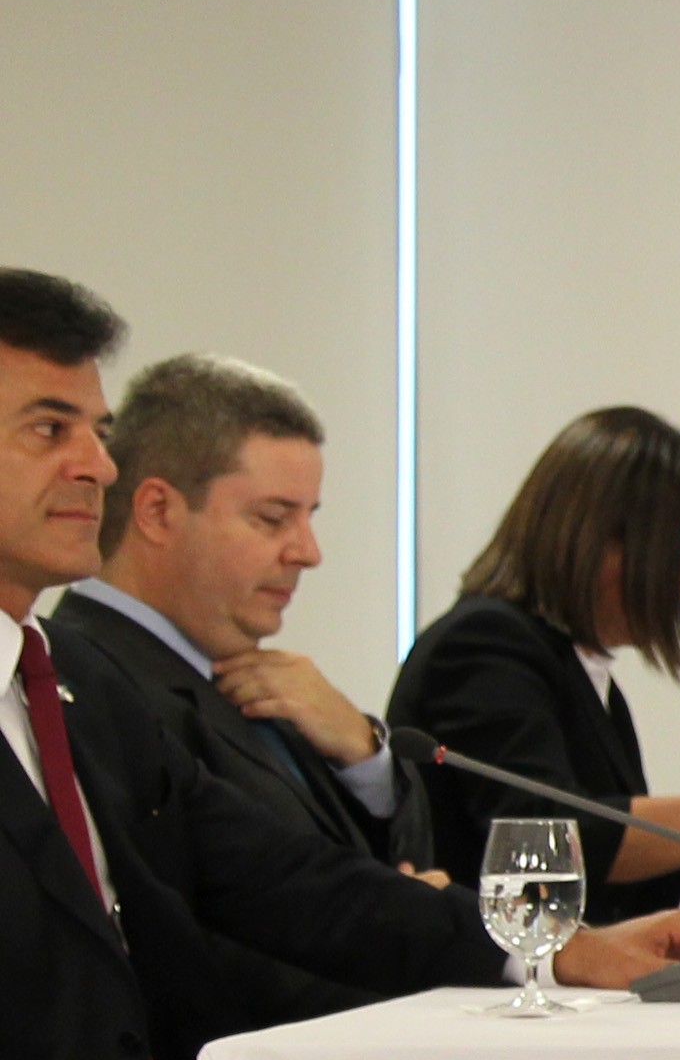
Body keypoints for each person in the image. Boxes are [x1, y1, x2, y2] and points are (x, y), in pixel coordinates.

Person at [0, 274, 680, 1060]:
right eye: (49, 428)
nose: (94, 465)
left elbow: (293, 892)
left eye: (97, 430)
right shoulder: (95, 676)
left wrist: (541, 949)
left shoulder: (69, 689)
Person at [50, 352, 435, 871]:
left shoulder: (265, 682)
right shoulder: (89, 680)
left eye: (308, 517)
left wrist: (364, 757)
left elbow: (376, 868)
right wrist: (399, 930)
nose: (308, 552)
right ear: (158, 511)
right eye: (273, 518)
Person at [389, 407, 680, 920]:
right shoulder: (483, 645)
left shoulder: (583, 674)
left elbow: (613, 888)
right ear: (602, 541)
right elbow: (542, 835)